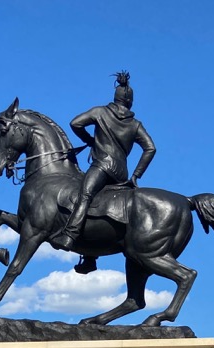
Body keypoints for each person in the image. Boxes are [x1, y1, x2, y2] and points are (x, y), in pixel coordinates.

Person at [55, 71, 156, 261]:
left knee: (84, 195)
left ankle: (70, 235)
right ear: (130, 102)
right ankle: (89, 258)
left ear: (115, 97)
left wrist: (91, 141)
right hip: (121, 173)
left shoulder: (100, 112)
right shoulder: (135, 124)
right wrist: (136, 176)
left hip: (102, 166)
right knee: (99, 206)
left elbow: (75, 123)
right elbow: (150, 148)